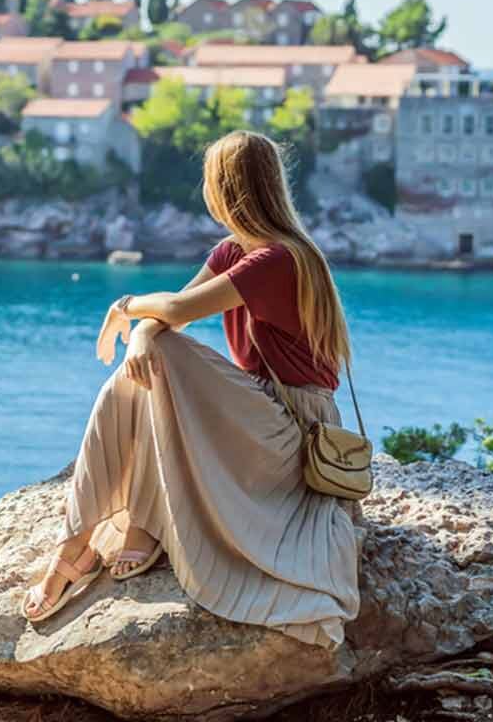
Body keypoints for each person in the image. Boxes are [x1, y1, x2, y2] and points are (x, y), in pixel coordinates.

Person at [21, 130, 361, 649]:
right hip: (262, 415)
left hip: (293, 430)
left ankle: (93, 541)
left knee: (162, 358)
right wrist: (140, 334)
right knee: (149, 365)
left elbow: (174, 313)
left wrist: (126, 309)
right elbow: (172, 312)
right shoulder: (234, 252)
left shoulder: (278, 260)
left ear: (224, 189)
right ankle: (87, 539)